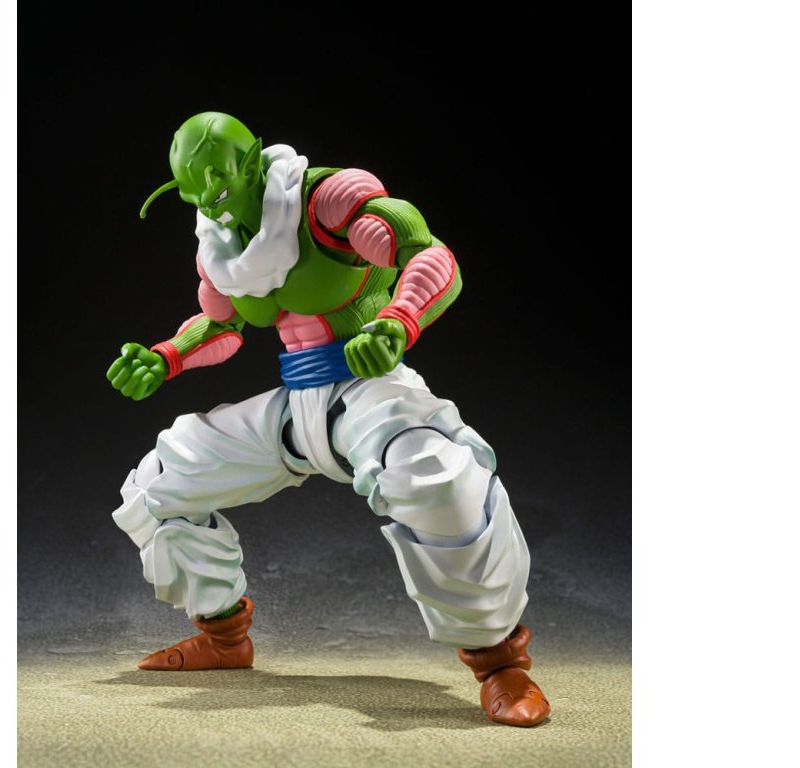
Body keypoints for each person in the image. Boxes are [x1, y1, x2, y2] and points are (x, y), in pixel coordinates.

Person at [107, 112, 549, 727]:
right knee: (159, 480)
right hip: (298, 404)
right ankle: (223, 636)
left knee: (436, 478)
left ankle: (500, 663)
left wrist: (398, 321)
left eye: (217, 181)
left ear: (253, 161)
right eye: (191, 190)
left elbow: (432, 256)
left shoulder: (327, 202)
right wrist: (166, 356)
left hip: (370, 389)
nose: (208, 200)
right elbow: (223, 324)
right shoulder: (221, 246)